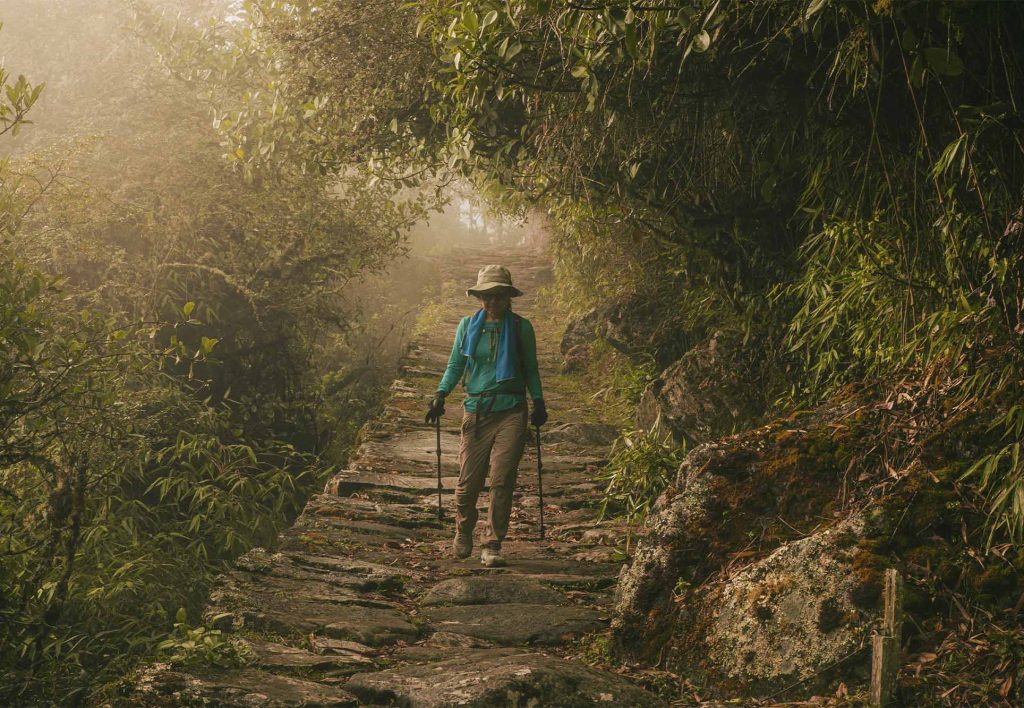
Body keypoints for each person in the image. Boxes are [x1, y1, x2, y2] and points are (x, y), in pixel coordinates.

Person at [425, 264, 547, 567]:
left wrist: (539, 402)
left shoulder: (522, 328)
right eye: (486, 296)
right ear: (480, 297)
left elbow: (531, 368)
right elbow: (456, 364)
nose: (492, 302)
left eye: (498, 296)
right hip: (477, 410)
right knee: (468, 482)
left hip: (512, 411)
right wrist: (441, 394)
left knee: (502, 479)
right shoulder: (467, 326)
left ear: (508, 297)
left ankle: (492, 542)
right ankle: (463, 529)